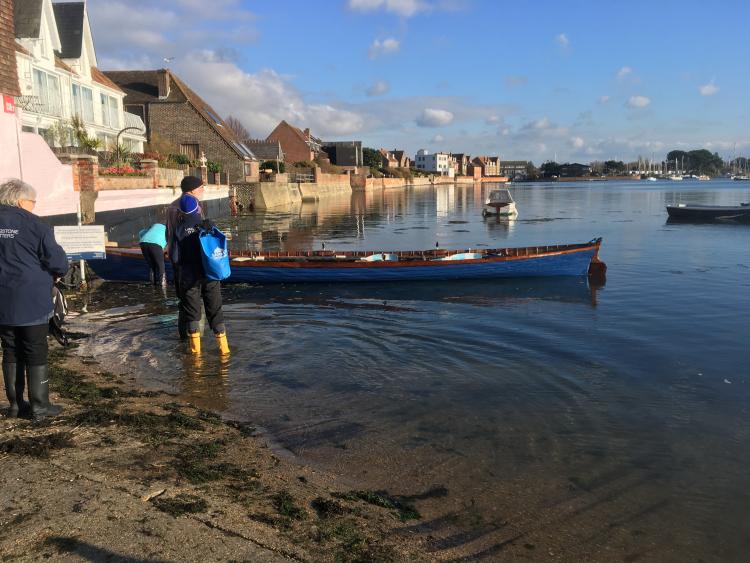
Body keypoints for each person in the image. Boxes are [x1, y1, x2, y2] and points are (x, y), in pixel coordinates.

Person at [0, 178, 69, 419]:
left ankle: (16, 406)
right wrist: (58, 274)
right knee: (35, 349)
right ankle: (40, 406)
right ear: (21, 201)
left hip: (2, 298)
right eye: (33, 202)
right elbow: (58, 262)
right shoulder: (35, 225)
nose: (34, 206)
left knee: (10, 349)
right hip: (31, 297)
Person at [171, 190, 230, 356]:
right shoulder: (209, 225)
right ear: (197, 208)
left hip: (189, 278)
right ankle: (224, 352)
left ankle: (195, 356)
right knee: (215, 312)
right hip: (210, 275)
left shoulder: (179, 229)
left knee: (192, 315)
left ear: (181, 212)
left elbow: (175, 257)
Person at [166, 176, 205, 339]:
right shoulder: (189, 205)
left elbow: (170, 232)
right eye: (201, 188)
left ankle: (184, 340)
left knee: (184, 300)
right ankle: (196, 340)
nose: (203, 191)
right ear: (193, 189)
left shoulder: (172, 206)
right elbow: (191, 233)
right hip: (189, 258)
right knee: (195, 300)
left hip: (176, 258)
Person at [138, 222, 167, 286]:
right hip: (156, 244)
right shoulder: (169, 230)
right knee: (161, 268)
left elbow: (141, 232)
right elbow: (170, 245)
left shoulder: (154, 225)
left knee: (152, 267)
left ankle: (153, 286)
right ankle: (163, 289)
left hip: (143, 242)